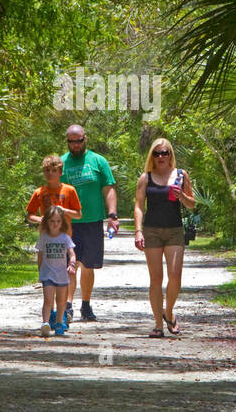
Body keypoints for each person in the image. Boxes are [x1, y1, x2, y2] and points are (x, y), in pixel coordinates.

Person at [133, 137, 195, 338]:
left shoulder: (180, 175)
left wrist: (182, 197)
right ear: (152, 156)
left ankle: (168, 312)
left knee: (175, 276)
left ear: (170, 155)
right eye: (156, 153)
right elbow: (139, 206)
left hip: (174, 231)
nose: (160, 157)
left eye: (164, 153)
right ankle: (158, 325)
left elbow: (192, 204)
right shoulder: (145, 178)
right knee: (156, 279)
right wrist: (138, 230)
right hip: (152, 230)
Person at [60, 124, 118, 322]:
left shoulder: (98, 161)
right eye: (71, 142)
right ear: (67, 142)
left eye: (79, 141)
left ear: (85, 139)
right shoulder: (61, 163)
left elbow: (108, 189)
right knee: (70, 264)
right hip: (68, 223)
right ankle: (67, 306)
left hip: (92, 221)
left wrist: (112, 215)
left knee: (88, 265)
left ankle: (85, 304)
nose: (75, 145)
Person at [26, 154, 81, 330]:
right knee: (48, 277)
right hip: (48, 239)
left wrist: (65, 210)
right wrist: (41, 219)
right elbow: (30, 215)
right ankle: (49, 317)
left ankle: (62, 315)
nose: (50, 174)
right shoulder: (39, 192)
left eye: (54, 171)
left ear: (60, 172)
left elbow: (79, 214)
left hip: (65, 238)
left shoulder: (69, 190)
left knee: (66, 276)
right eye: (47, 171)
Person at [35, 206, 77, 337]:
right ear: (46, 221)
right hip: (47, 274)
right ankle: (45, 323)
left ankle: (59, 323)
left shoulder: (65, 238)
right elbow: (40, 256)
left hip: (62, 275)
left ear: (62, 223)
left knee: (61, 301)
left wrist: (71, 264)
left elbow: (72, 253)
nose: (55, 224)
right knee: (48, 300)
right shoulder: (43, 237)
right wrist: (40, 271)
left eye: (58, 221)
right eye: (52, 221)